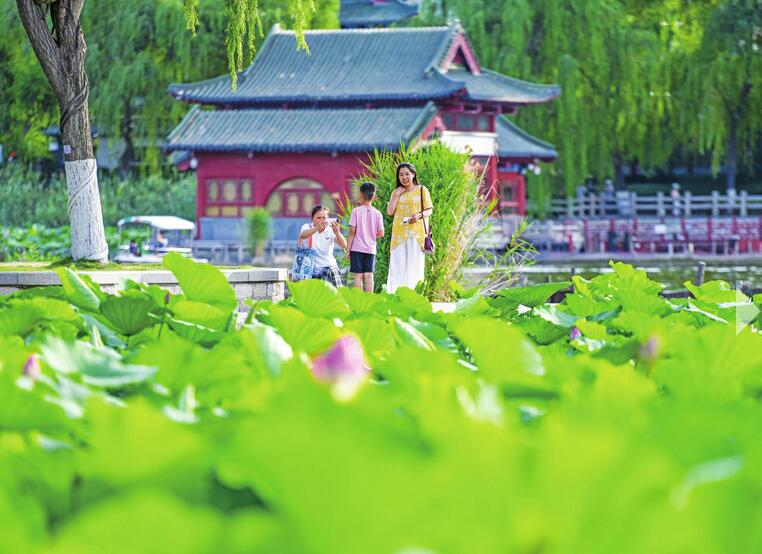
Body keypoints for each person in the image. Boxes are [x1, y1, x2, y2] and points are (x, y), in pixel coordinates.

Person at [386, 162, 433, 293]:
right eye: (401, 175)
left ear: (413, 174)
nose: (404, 177)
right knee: (397, 265)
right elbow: (390, 212)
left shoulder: (422, 190)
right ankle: (395, 294)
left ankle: (413, 295)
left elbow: (429, 210)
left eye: (407, 174)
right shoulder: (396, 192)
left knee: (414, 266)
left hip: (416, 234)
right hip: (399, 234)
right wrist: (396, 195)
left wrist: (418, 216)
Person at [347, 182, 384, 292]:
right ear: (374, 197)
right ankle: (370, 299)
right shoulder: (378, 213)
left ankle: (358, 300)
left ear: (361, 195)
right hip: (370, 248)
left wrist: (348, 250)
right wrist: (371, 236)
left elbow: (352, 231)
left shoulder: (356, 211)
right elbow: (381, 233)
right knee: (369, 275)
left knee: (358, 276)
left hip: (357, 248)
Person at [299, 205, 347, 287]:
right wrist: (317, 228)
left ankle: (340, 297)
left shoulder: (330, 230)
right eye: (318, 218)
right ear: (312, 218)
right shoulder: (307, 227)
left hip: (328, 267)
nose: (321, 220)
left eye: (324, 217)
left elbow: (344, 245)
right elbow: (303, 236)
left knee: (332, 270)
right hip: (310, 269)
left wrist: (337, 233)